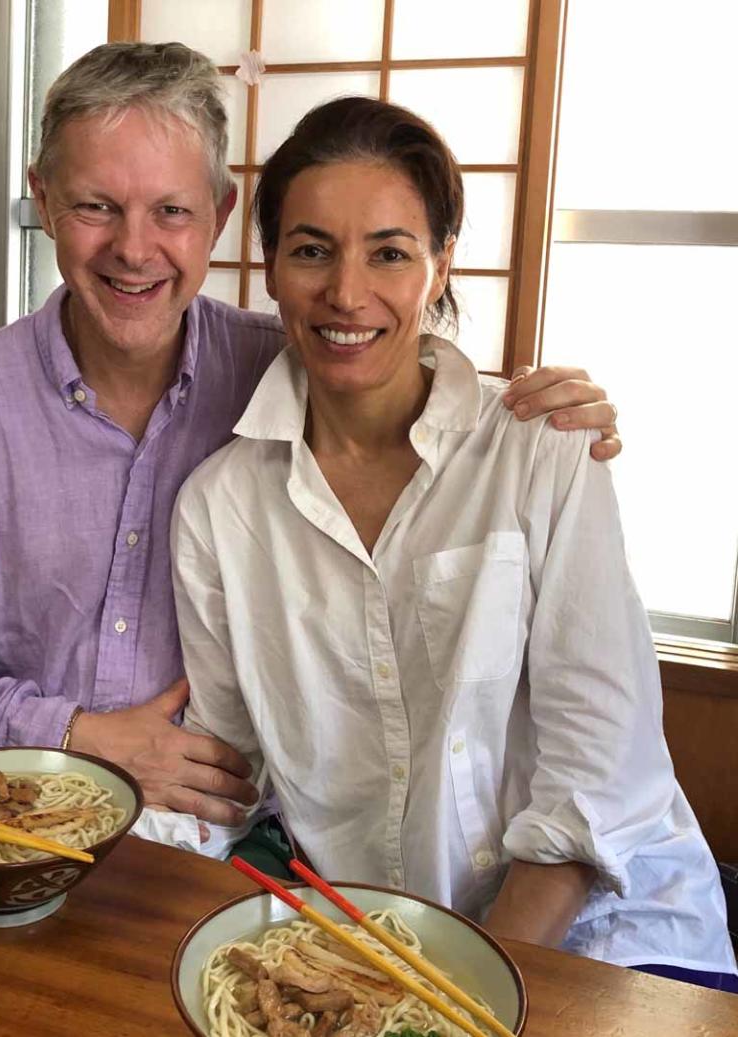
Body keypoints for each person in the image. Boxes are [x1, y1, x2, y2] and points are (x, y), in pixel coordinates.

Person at [0, 42, 621, 830]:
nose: (134, 249)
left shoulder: (288, 370)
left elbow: (388, 349)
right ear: (43, 200)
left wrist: (533, 412)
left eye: (172, 211)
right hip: (4, 820)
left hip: (236, 836)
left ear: (218, 212)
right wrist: (72, 739)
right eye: (95, 206)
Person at [169, 95, 737, 982]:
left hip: (612, 933)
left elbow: (597, 781)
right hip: (371, 945)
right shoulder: (219, 507)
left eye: (389, 252)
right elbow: (226, 767)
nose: (347, 292)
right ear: (270, 266)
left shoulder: (543, 452)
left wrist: (447, 988)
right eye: (311, 249)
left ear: (439, 268)